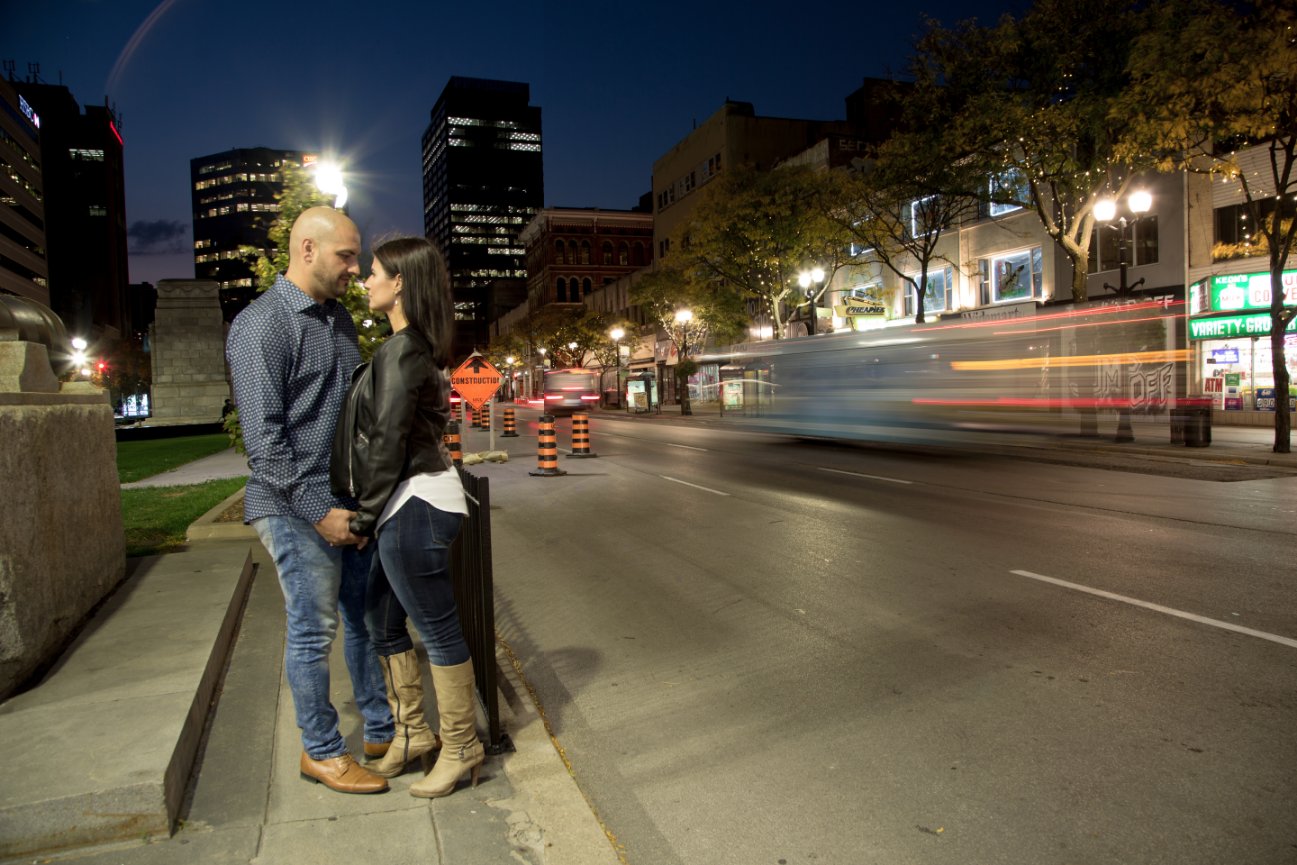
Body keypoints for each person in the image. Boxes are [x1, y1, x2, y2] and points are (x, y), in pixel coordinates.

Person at [226, 206, 395, 795]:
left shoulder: (338, 321)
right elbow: (265, 443)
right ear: (305, 249)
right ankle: (321, 751)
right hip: (291, 504)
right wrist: (319, 510)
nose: (355, 267)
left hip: (342, 501)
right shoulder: (260, 326)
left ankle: (380, 728)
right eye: (346, 256)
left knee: (365, 619)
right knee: (312, 628)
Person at [329, 235, 482, 798]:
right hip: (404, 502)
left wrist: (362, 519)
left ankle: (462, 745)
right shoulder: (405, 346)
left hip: (415, 503)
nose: (365, 280)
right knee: (382, 621)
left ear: (399, 284)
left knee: (437, 629)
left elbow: (389, 439)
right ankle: (414, 731)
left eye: (373, 272)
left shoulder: (404, 350)